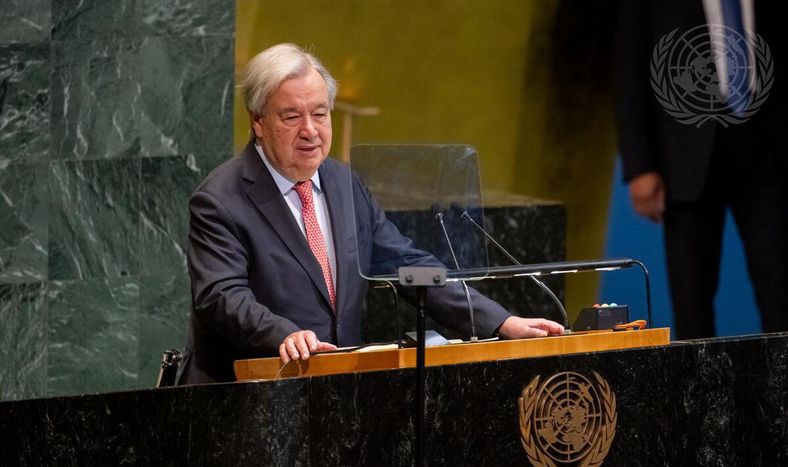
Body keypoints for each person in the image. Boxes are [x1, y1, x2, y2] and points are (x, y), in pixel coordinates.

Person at [179, 43, 564, 384]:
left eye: (320, 113)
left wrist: (498, 321)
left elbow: (408, 266)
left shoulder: (344, 183)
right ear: (258, 122)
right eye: (291, 117)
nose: (311, 130)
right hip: (244, 398)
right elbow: (221, 296)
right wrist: (283, 334)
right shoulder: (220, 199)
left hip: (335, 391)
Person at [614, 1, 788, 340]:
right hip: (685, 158)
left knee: (780, 284)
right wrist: (640, 166)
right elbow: (628, 69)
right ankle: (699, 392)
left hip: (767, 150)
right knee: (691, 297)